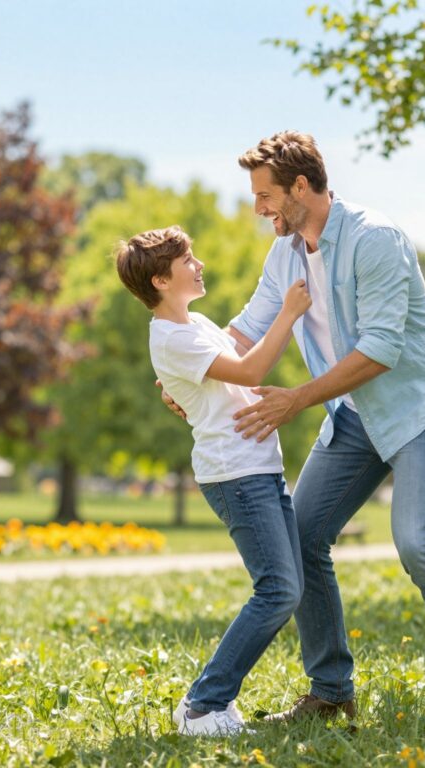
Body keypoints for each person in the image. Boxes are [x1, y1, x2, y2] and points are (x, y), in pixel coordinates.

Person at [165, 131, 425, 730]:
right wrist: (190, 371)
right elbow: (245, 330)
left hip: (415, 409)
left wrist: (296, 399)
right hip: (352, 418)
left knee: (419, 543)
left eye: (266, 195)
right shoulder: (285, 255)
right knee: (300, 537)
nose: (258, 209)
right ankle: (330, 693)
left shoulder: (374, 239)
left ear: (301, 187)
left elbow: (380, 350)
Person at [117, 225, 311, 736]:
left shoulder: (195, 323)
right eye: (188, 260)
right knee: (278, 590)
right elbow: (248, 371)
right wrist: (289, 313)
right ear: (161, 280)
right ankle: (204, 705)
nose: (198, 264)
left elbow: (216, 373)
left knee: (287, 585)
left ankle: (211, 704)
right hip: (234, 473)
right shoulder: (172, 335)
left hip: (259, 466)